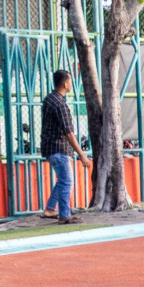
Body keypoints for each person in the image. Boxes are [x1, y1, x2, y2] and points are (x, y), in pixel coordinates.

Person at [40, 70, 91, 224]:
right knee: (67, 181)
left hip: (50, 147)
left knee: (62, 180)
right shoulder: (60, 104)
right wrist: (82, 154)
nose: (71, 84)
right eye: (70, 81)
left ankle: (50, 209)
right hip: (59, 148)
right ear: (64, 84)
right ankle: (64, 215)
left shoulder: (49, 99)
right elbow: (69, 133)